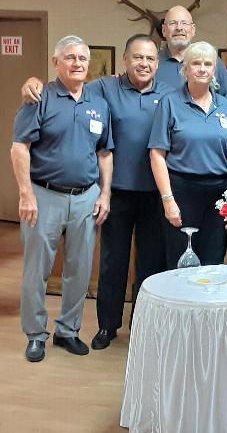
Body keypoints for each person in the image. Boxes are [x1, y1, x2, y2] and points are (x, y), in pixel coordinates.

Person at [20, 35, 173, 351]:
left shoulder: (168, 95)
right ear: (125, 62)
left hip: (150, 194)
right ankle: (104, 327)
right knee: (110, 265)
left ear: (157, 64)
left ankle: (139, 328)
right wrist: (31, 82)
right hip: (110, 192)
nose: (143, 64)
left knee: (143, 266)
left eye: (150, 59)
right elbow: (61, 87)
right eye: (137, 58)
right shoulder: (102, 89)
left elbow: (108, 150)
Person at [11, 35, 114, 362]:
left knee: (80, 270)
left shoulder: (98, 103)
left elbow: (105, 154)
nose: (77, 63)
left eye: (83, 58)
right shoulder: (38, 98)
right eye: (70, 58)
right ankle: (35, 334)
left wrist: (105, 193)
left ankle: (68, 331)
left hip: (86, 198)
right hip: (44, 197)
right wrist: (26, 194)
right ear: (56, 63)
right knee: (36, 270)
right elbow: (19, 148)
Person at [148, 41, 227, 267]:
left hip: (217, 195)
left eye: (208, 64)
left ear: (214, 70)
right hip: (182, 192)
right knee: (180, 262)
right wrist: (168, 200)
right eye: (196, 63)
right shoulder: (170, 102)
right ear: (186, 69)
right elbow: (157, 154)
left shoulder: (225, 107)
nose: (202, 68)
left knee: (213, 260)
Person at [157, 5, 227, 96]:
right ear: (164, 30)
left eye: (184, 23)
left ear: (193, 30)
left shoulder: (212, 61)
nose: (179, 28)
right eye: (173, 23)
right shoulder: (152, 63)